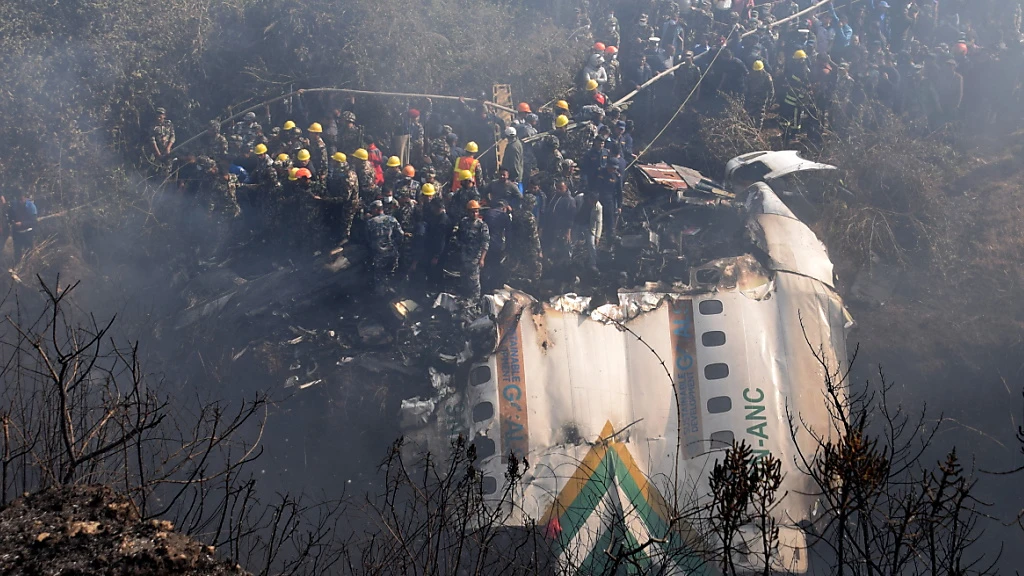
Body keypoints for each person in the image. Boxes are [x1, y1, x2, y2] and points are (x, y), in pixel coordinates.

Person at [365, 200, 404, 296]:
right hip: (392, 253)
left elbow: (367, 239)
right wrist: (395, 245)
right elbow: (401, 234)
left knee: (380, 277)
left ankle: (381, 299)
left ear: (376, 209)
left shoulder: (370, 222)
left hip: (379, 255)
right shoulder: (392, 219)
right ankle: (393, 295)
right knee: (392, 273)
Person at [456, 200, 489, 300]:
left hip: (475, 258)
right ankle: (464, 299)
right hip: (464, 256)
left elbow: (485, 242)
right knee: (464, 278)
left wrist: (482, 258)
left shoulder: (482, 225)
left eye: (476, 211)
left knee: (474, 281)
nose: (474, 214)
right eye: (472, 212)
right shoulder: (463, 222)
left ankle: (475, 300)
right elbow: (459, 236)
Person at [324, 152, 360, 244]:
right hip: (346, 203)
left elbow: (345, 197)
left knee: (346, 224)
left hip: (349, 205)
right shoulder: (344, 172)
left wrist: (326, 199)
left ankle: (345, 241)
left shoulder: (348, 176)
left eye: (334, 161)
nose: (332, 163)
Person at [481, 200, 512, 291]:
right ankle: (493, 286)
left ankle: (484, 286)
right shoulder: (504, 216)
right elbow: (508, 232)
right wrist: (508, 247)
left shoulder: (488, 213)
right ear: (504, 208)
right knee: (495, 266)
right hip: (496, 244)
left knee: (485, 266)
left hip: (485, 243)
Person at [8, 191, 37, 264]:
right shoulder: (14, 205)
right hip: (17, 233)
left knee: (28, 253)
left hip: (28, 232)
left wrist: (22, 224)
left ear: (25, 198)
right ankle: (17, 268)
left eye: (22, 199)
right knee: (17, 254)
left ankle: (28, 269)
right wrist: (13, 222)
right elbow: (10, 217)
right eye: (19, 200)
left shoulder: (31, 207)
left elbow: (33, 221)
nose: (20, 202)